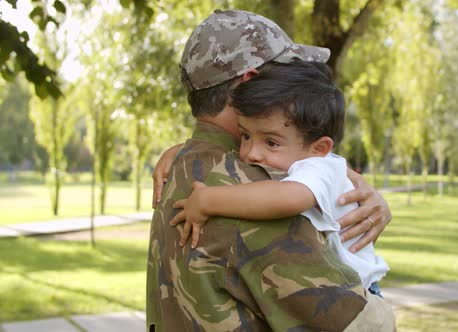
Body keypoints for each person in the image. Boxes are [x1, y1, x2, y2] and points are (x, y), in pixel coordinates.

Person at [146, 9, 396, 331]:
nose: (295, 88)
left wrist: (346, 180)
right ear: (250, 82)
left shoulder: (178, 169)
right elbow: (358, 324)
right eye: (286, 74)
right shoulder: (250, 195)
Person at [170, 60, 389, 296]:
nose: (251, 153)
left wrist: (208, 200)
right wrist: (179, 150)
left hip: (362, 291)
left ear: (319, 148)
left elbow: (289, 198)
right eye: (245, 135)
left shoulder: (320, 169)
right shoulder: (309, 157)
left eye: (271, 143)